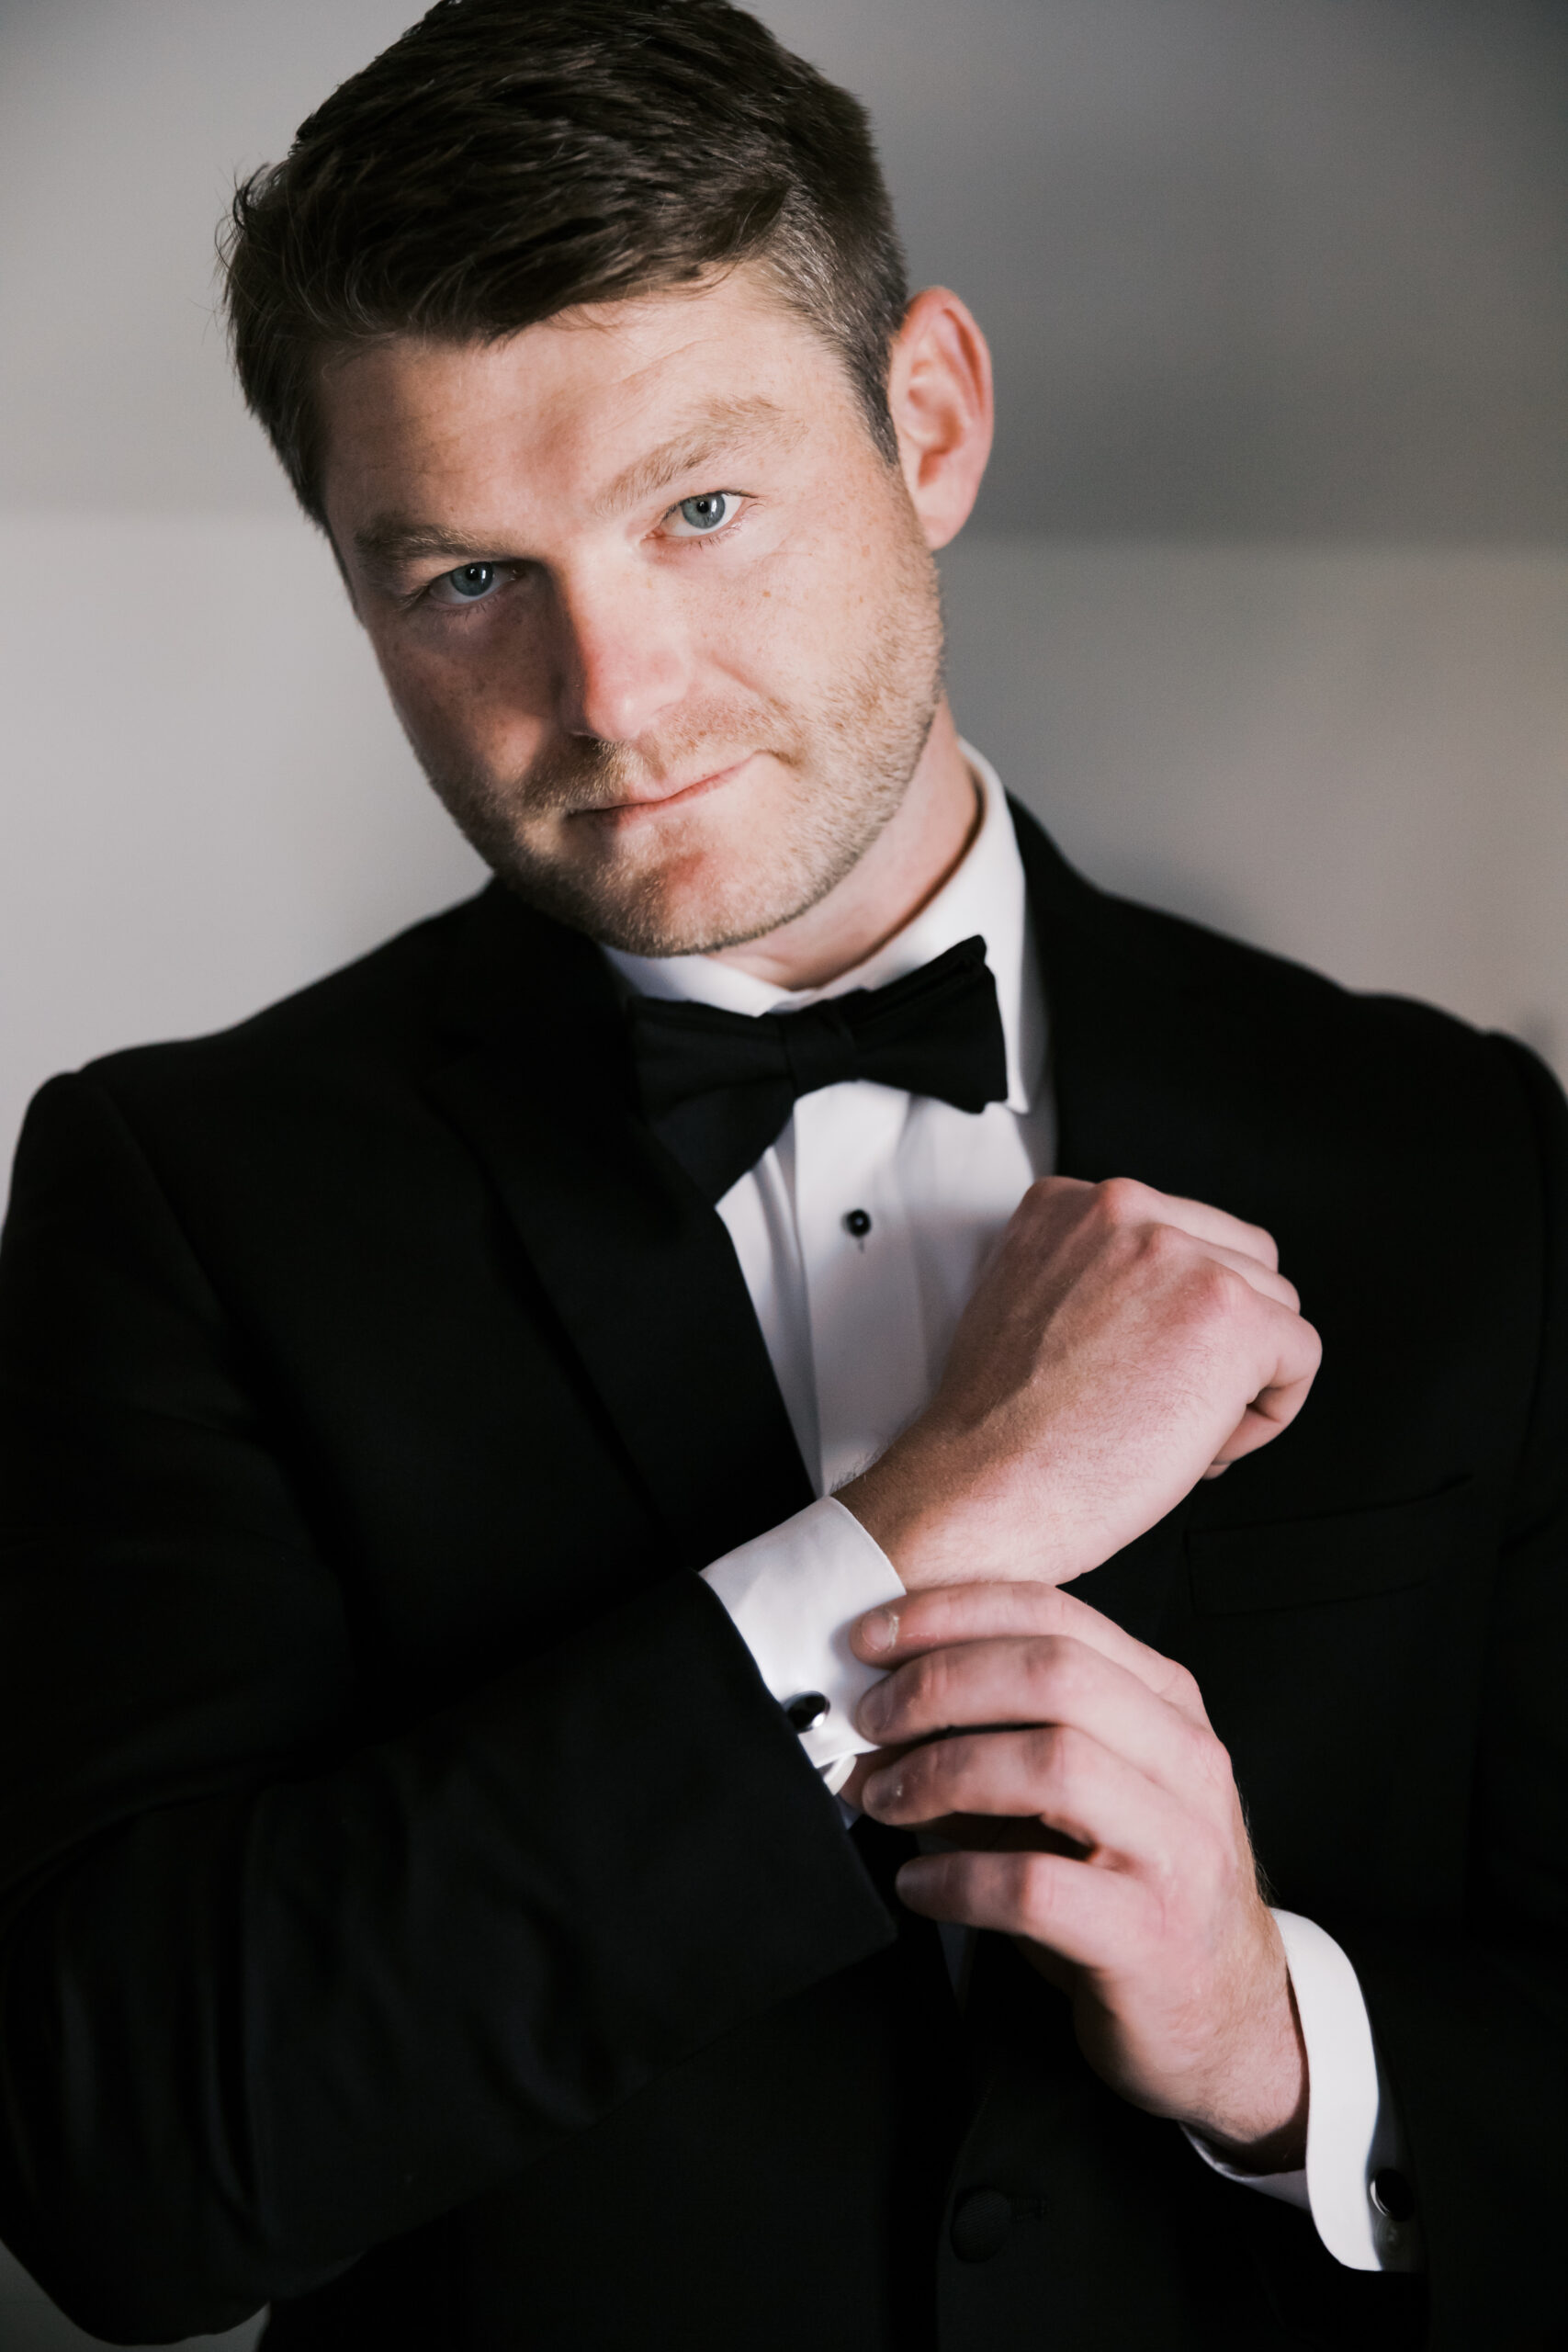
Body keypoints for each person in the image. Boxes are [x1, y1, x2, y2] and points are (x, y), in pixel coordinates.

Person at [0, 1, 1561, 2345]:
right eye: (461, 580)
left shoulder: (1454, 1152)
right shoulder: (180, 1194)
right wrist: (935, 1525)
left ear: (923, 422)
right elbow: (136, 2171)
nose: (610, 697)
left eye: (698, 509)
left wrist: (1273, 2042)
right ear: (353, 585)